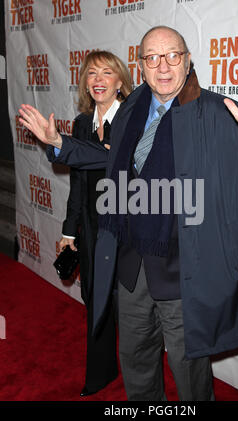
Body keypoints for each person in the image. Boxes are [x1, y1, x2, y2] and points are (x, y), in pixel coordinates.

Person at [19, 26, 238, 401]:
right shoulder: (132, 107)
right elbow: (110, 158)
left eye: (172, 56)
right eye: (152, 58)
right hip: (131, 265)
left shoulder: (215, 112)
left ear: (188, 60)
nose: (163, 66)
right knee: (136, 359)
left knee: (189, 372)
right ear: (142, 65)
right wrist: (59, 144)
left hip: (184, 271)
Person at [57, 50, 132, 397]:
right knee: (95, 300)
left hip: (128, 230)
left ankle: (138, 379)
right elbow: (77, 184)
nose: (98, 79)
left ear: (120, 82)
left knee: (129, 308)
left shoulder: (134, 120)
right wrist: (69, 232)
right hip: (90, 227)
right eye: (91, 74)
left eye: (106, 72)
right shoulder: (80, 124)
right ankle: (101, 372)